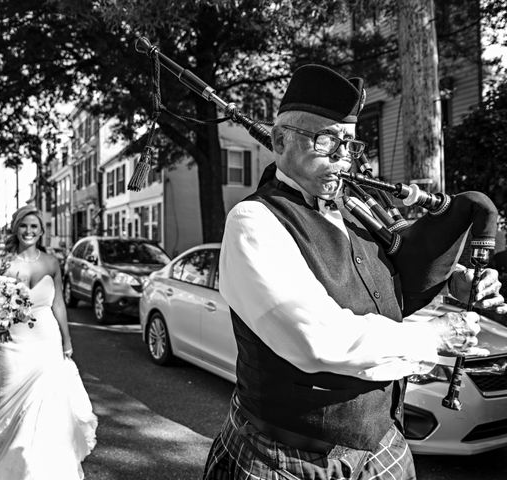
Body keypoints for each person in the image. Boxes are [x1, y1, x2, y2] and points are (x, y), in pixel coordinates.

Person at [202, 64, 507, 480]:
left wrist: (455, 285)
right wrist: (434, 337)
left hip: (383, 443)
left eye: (348, 144)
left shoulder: (359, 211)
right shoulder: (254, 221)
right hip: (285, 457)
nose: (341, 157)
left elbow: (389, 290)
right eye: (326, 140)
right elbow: (316, 340)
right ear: (279, 140)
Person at [0, 205, 97, 480]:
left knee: (48, 402)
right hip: (13, 343)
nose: (29, 231)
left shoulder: (51, 262)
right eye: (24, 226)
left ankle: (45, 465)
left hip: (47, 340)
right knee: (7, 397)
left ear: (41, 231)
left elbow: (59, 303)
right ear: (16, 228)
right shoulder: (3, 263)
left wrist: (66, 339)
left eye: (34, 227)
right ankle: (3, 456)